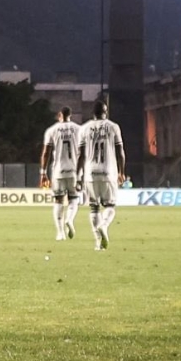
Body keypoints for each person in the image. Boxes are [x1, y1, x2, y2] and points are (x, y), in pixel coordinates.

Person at [76, 101, 126, 252]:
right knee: (110, 206)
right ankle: (104, 225)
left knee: (93, 208)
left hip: (90, 172)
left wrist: (78, 176)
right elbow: (120, 152)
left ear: (93, 113)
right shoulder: (113, 127)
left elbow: (81, 156)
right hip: (108, 171)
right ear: (106, 112)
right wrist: (122, 172)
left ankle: (98, 241)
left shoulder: (84, 128)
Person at [40, 107, 83, 240]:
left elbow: (46, 153)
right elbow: (84, 152)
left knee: (58, 200)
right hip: (74, 170)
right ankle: (69, 219)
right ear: (71, 115)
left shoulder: (52, 130)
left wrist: (43, 173)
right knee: (74, 198)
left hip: (58, 170)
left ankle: (60, 233)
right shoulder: (79, 129)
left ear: (60, 115)